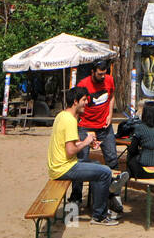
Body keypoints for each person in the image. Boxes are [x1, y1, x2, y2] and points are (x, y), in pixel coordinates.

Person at [47, 86, 119, 226]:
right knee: (104, 172)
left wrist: (88, 143)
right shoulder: (70, 121)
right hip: (63, 168)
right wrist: (86, 141)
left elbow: (70, 144)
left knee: (98, 167)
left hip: (59, 165)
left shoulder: (62, 115)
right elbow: (71, 150)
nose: (87, 103)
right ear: (75, 102)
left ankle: (99, 207)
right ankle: (100, 216)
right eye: (84, 100)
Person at [74, 60, 126, 213]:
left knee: (112, 160)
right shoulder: (83, 84)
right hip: (85, 127)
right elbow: (76, 106)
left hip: (105, 127)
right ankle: (76, 197)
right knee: (80, 162)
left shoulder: (109, 80)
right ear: (92, 72)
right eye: (99, 74)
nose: (103, 77)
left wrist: (110, 115)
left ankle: (114, 196)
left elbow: (111, 97)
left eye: (104, 74)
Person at [127, 101, 154, 179]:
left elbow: (132, 150)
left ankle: (127, 180)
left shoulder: (141, 128)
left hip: (146, 171)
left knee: (131, 159)